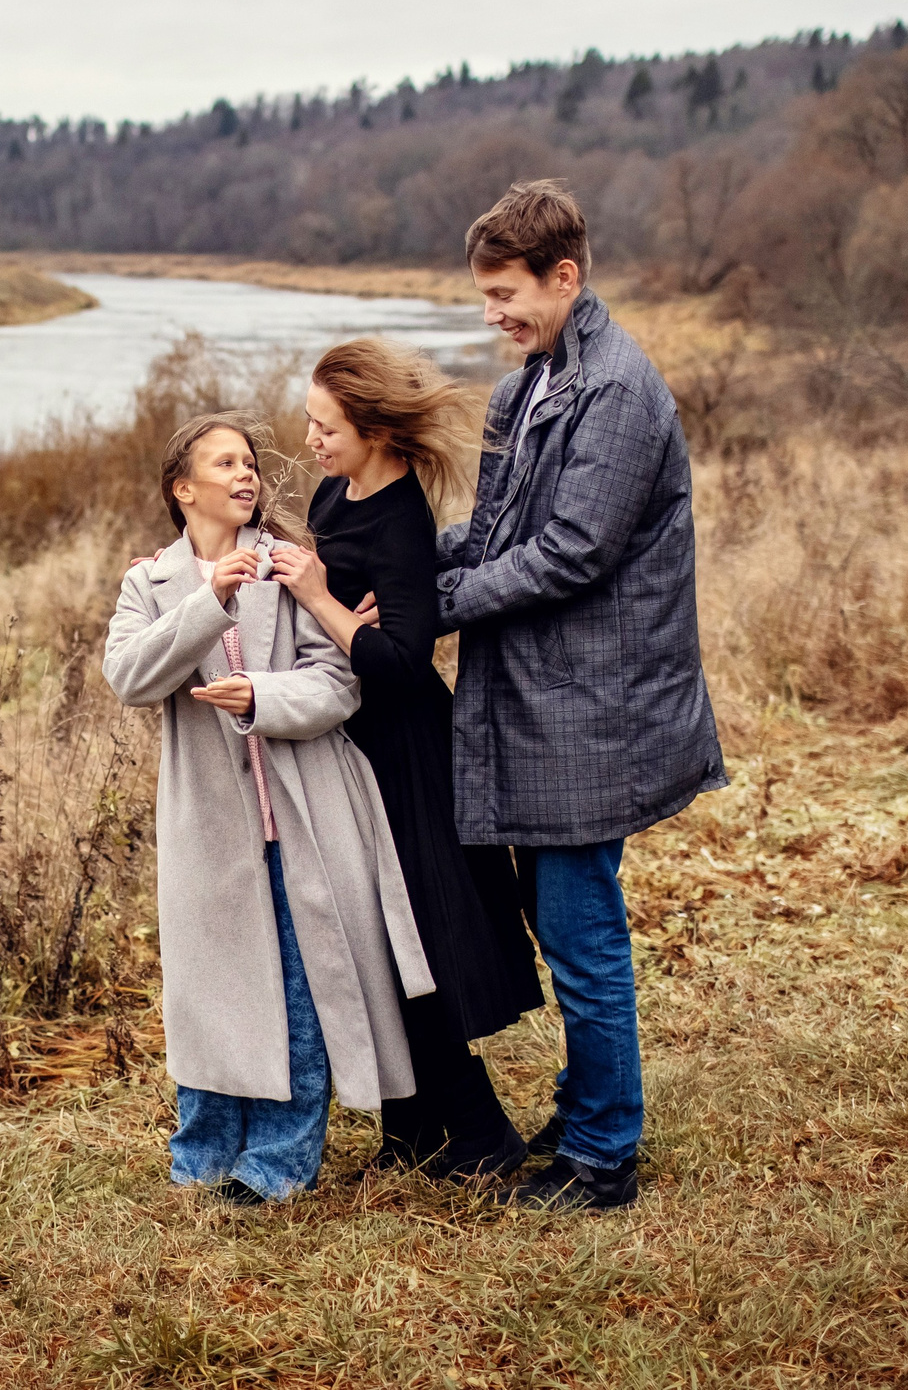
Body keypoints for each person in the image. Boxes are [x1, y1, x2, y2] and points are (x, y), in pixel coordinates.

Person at [436, 179, 729, 1212]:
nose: (492, 315)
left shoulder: (614, 389)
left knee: (580, 931)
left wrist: (441, 607)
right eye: (482, 296)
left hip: (592, 712)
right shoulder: (529, 387)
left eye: (506, 294)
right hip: (541, 705)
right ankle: (588, 1102)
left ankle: (603, 1156)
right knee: (562, 925)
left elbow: (569, 553)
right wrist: (381, 571)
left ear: (566, 276)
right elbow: (490, 534)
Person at [101, 412, 434, 1204]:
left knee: (298, 988)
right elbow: (128, 678)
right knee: (210, 995)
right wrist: (205, 602)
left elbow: (339, 680)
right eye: (225, 463)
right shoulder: (148, 584)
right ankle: (203, 1154)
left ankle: (279, 1164)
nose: (247, 475)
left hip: (302, 814)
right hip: (208, 824)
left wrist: (261, 696)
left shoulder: (292, 568)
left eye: (251, 462)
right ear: (184, 488)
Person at [267, 339, 544, 1182]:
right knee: (371, 939)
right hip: (351, 748)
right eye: (311, 422)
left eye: (327, 426)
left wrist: (323, 600)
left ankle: (483, 1138)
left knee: (409, 940)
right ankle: (413, 1131)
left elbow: (398, 659)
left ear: (376, 429)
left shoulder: (401, 520)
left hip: (404, 753)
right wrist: (188, 566)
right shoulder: (335, 491)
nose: (312, 440)